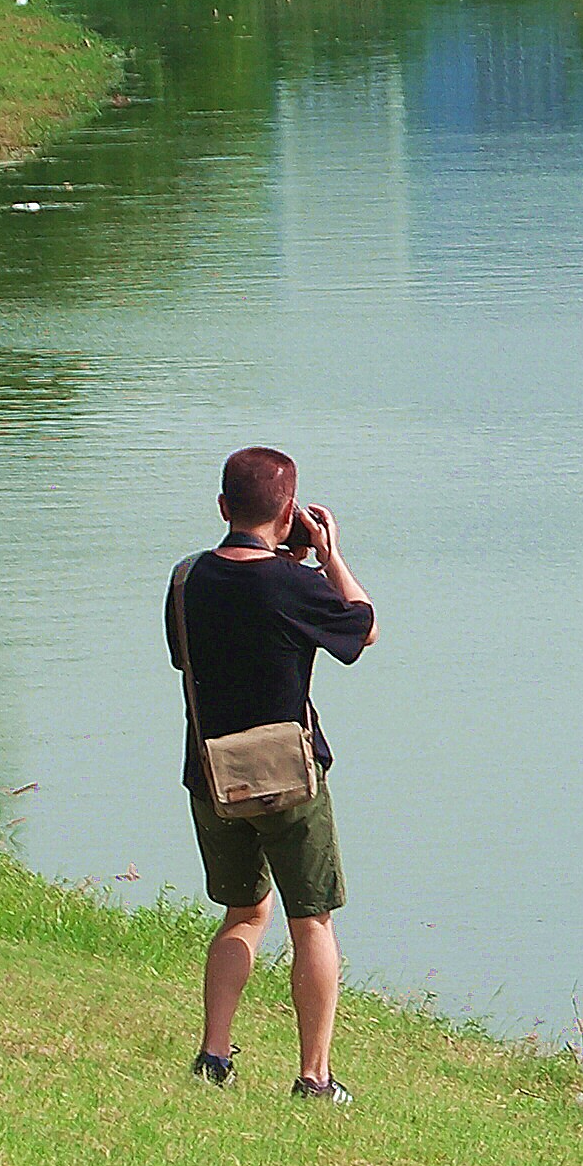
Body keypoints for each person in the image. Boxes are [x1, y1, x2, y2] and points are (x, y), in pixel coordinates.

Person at [167, 444, 381, 1103]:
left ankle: (212, 1056)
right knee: (310, 921)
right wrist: (329, 555)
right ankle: (314, 1077)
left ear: (224, 507)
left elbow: (186, 658)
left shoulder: (185, 578)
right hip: (290, 779)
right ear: (289, 513)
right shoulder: (296, 585)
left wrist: (291, 564)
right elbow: (363, 627)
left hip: (213, 777)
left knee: (242, 912)